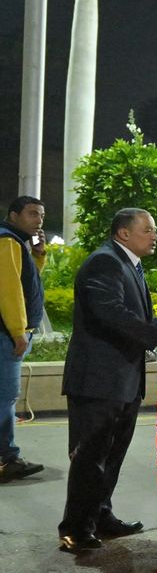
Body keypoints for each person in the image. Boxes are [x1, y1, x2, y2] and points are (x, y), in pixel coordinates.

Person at [57, 208, 157, 553]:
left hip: (122, 381)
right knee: (90, 457)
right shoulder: (104, 262)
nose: (155, 236)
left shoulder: (128, 264)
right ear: (124, 233)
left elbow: (140, 317)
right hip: (98, 381)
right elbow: (110, 313)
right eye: (148, 230)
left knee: (112, 456)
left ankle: (100, 517)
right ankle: (76, 528)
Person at [1, 196, 47, 483]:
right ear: (14, 215)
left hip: (8, 334)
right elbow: (9, 290)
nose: (38, 220)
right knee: (4, 398)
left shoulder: (16, 243)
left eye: (41, 215)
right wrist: (18, 331)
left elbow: (25, 282)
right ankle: (7, 459)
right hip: (6, 336)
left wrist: (38, 256)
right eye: (32, 214)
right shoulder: (7, 241)